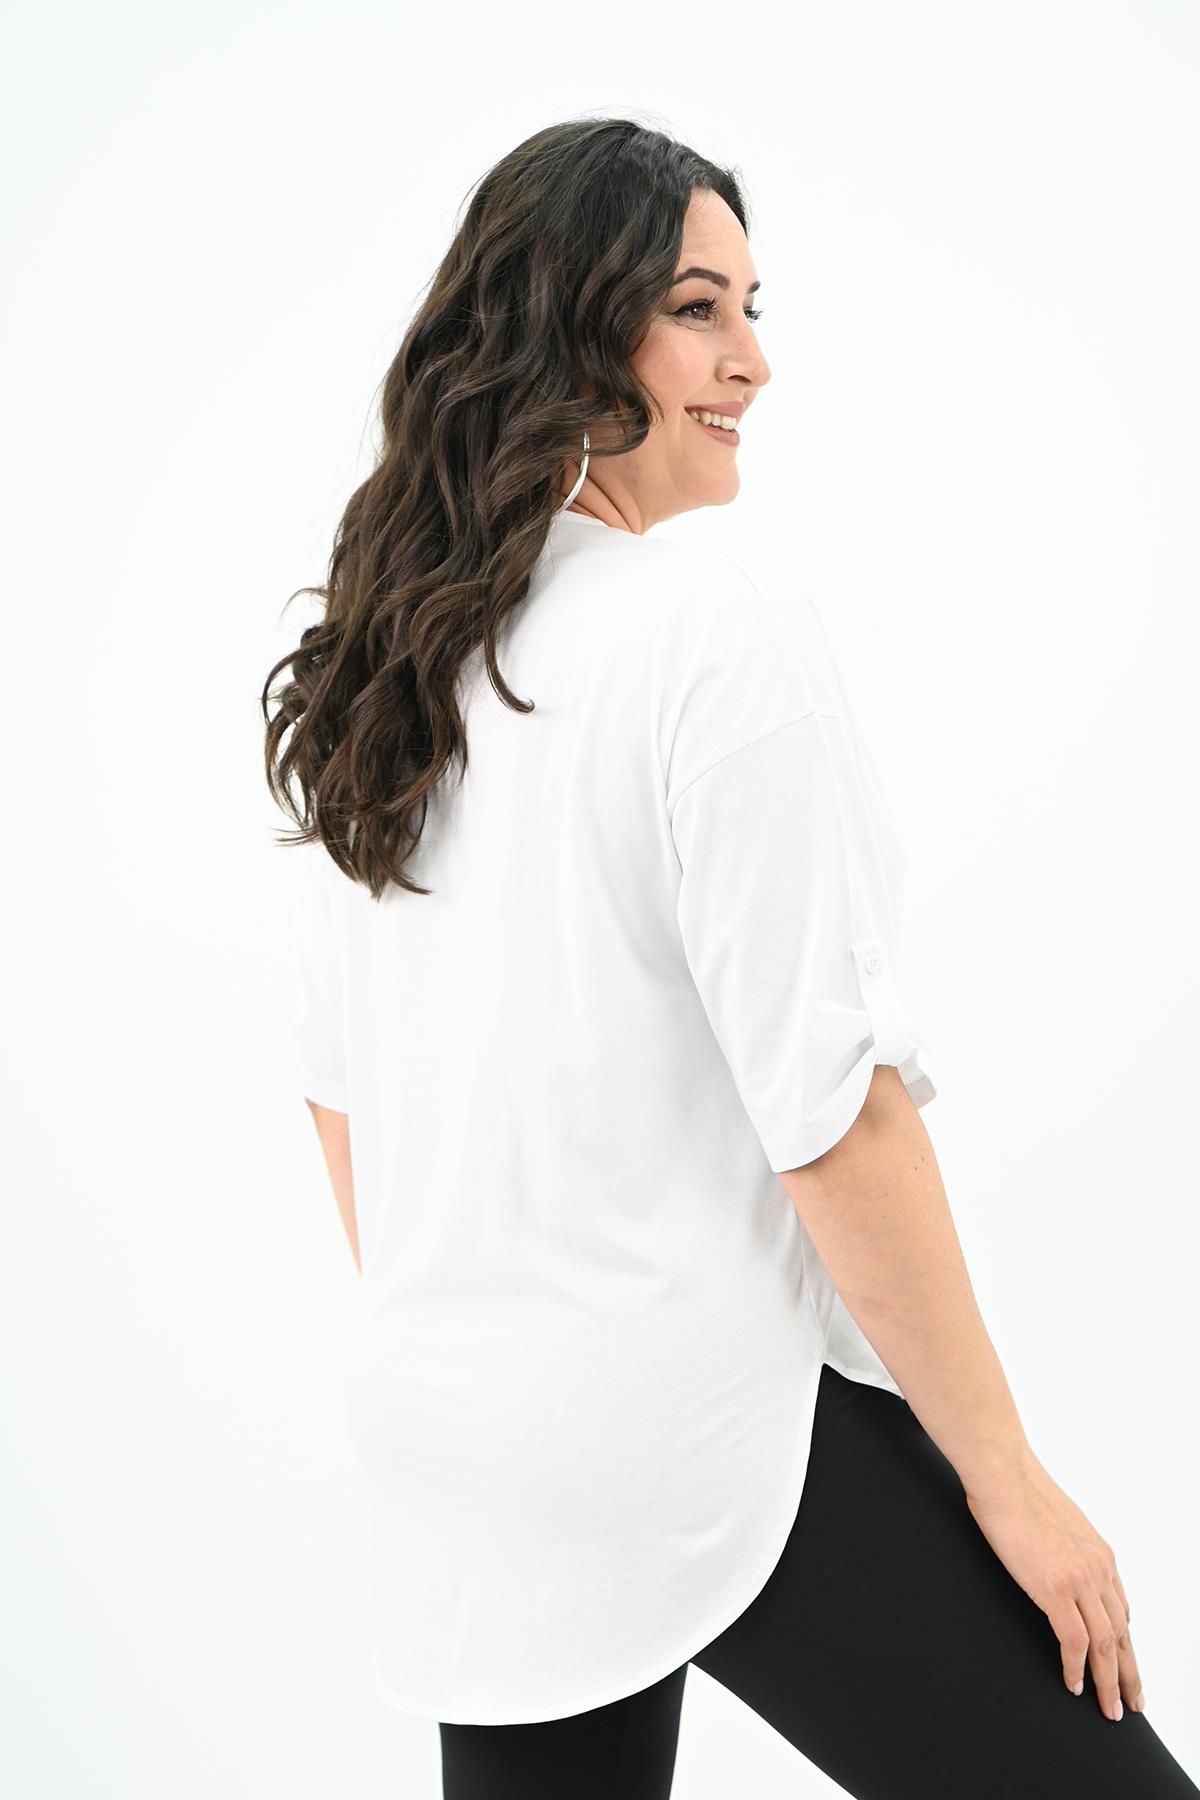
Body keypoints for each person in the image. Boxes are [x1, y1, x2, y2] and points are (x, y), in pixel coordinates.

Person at [263, 118, 1198, 1797]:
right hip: (687, 1426)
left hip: (460, 1456)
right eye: (699, 309)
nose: (753, 360)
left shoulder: (385, 681)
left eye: (753, 309)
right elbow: (833, 1113)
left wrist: (502, 1347)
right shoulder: (706, 625)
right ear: (570, 323)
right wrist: (1008, 1481)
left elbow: (348, 1112)